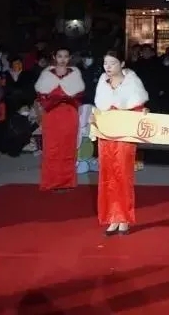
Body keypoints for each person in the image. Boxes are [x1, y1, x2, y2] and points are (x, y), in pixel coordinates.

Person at [92, 51, 149, 235]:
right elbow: (99, 108)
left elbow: (138, 107)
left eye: (112, 63)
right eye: (105, 63)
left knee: (123, 175)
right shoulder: (102, 82)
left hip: (124, 134)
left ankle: (124, 218)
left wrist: (143, 112)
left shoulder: (132, 82)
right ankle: (112, 218)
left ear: (122, 64)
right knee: (107, 176)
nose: (108, 67)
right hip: (106, 135)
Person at [34, 47, 85, 191]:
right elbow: (41, 97)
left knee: (68, 148)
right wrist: (52, 100)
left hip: (69, 115)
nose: (63, 59)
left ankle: (68, 182)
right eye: (60, 56)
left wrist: (66, 98)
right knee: (51, 149)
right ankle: (51, 182)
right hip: (51, 115)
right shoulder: (46, 75)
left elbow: (79, 97)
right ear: (54, 57)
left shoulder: (75, 74)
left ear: (69, 58)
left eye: (66, 56)